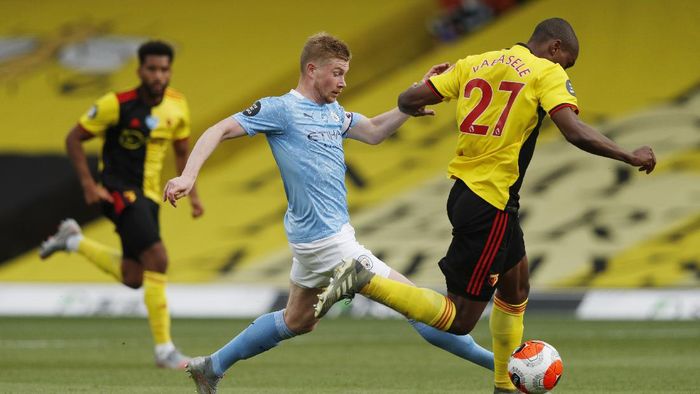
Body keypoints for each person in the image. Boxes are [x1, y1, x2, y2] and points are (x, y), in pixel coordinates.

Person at [315, 18, 657, 393]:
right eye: (566, 63)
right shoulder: (546, 72)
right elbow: (574, 132)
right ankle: (366, 281)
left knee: (516, 286)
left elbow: (408, 101)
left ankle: (504, 387)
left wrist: (424, 91)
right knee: (460, 319)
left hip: (468, 194)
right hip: (490, 201)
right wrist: (628, 154)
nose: (564, 70)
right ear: (555, 48)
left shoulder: (475, 62)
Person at [163, 32, 494, 393]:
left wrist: (409, 102)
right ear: (312, 69)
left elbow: (372, 131)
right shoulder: (282, 109)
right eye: (336, 73)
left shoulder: (333, 113)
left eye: (345, 73)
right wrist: (188, 175)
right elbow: (219, 128)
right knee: (420, 308)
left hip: (312, 241)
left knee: (297, 320)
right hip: (331, 244)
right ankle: (505, 368)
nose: (343, 82)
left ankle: (212, 366)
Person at [39, 40, 203, 370]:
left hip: (151, 196)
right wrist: (89, 184)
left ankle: (72, 239)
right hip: (118, 191)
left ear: (170, 71)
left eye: (164, 69)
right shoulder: (116, 104)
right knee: (158, 259)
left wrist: (194, 192)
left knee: (134, 276)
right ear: (140, 70)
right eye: (152, 69)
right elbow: (74, 138)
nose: (158, 75)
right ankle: (165, 351)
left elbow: (182, 149)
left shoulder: (177, 105)